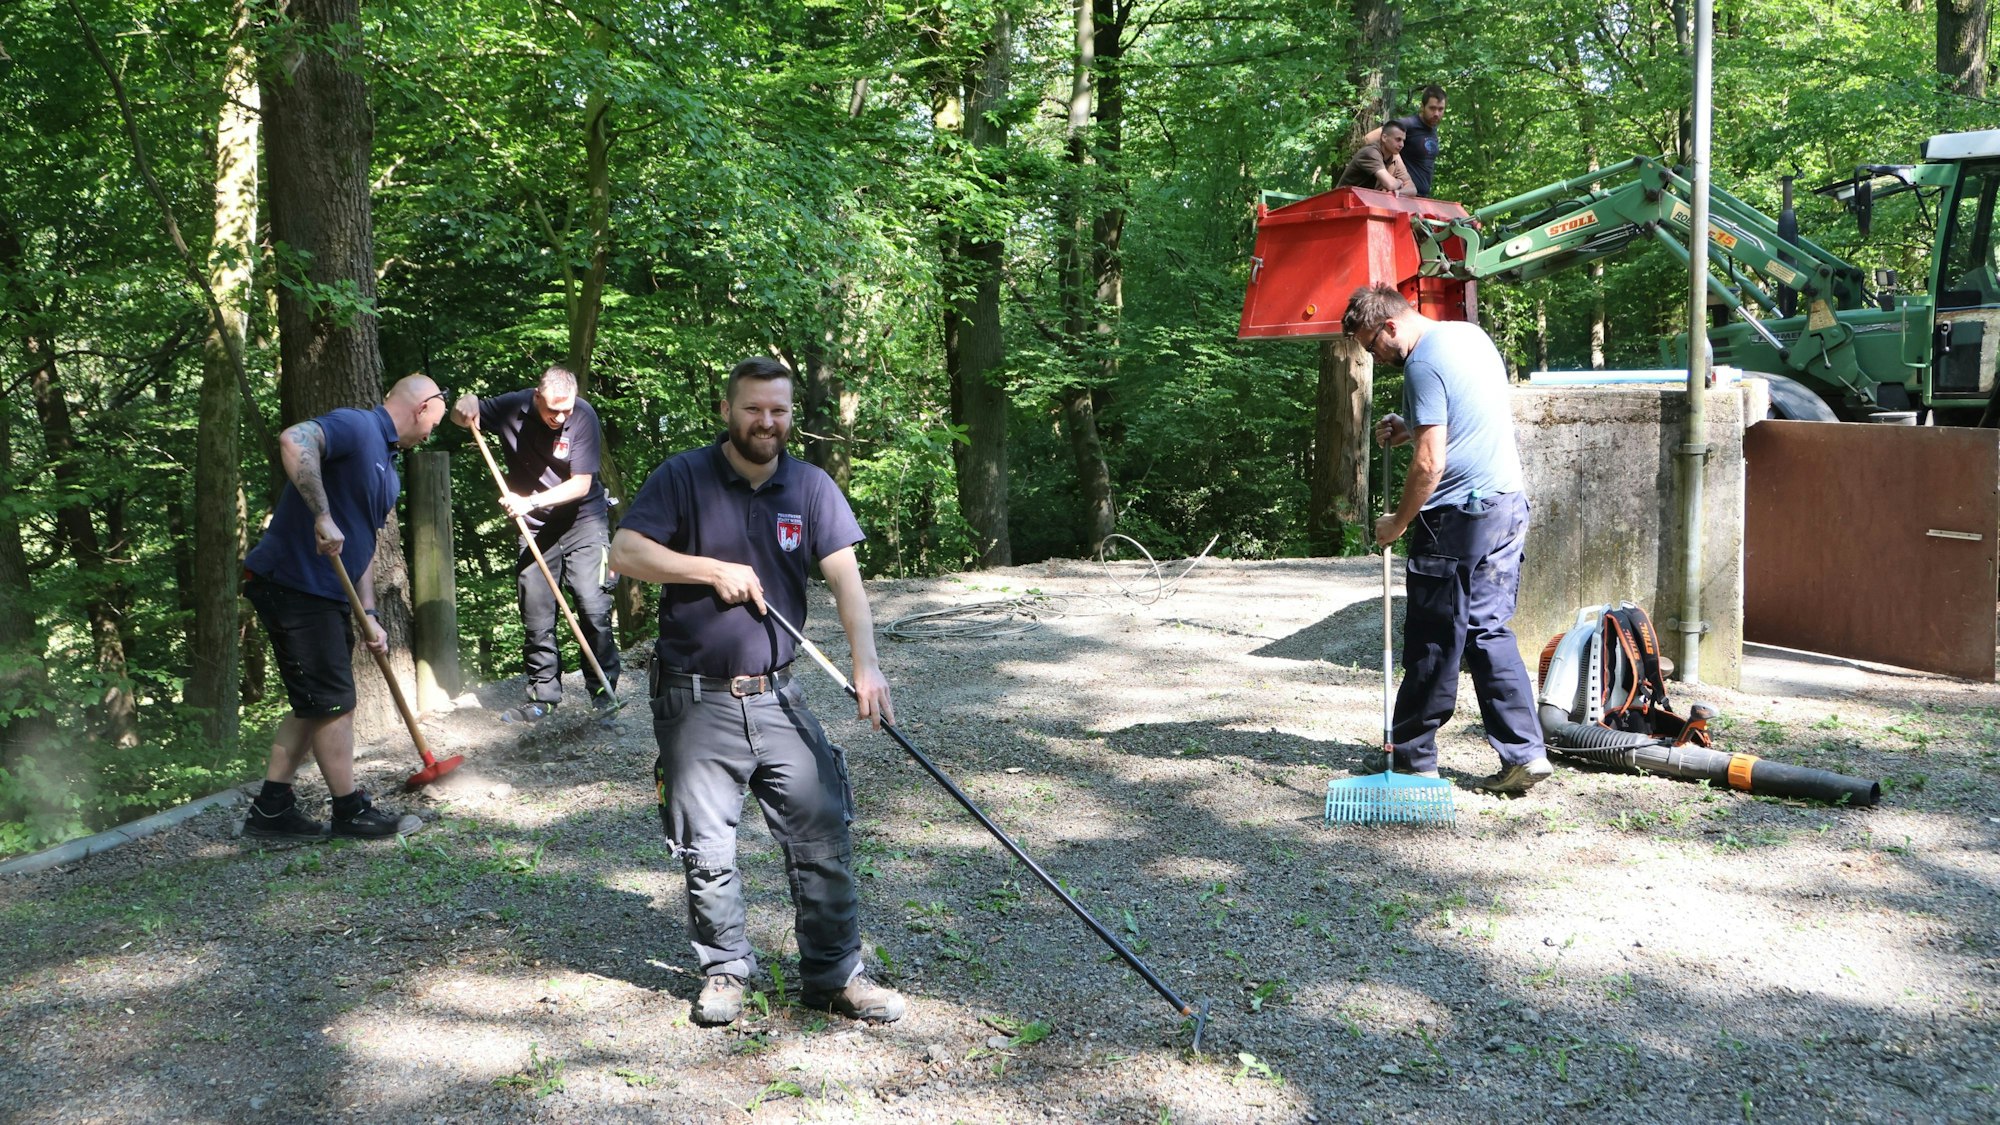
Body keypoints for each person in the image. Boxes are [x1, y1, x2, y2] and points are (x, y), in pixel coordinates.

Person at [608, 356, 906, 1027]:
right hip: (695, 697)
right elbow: (624, 551)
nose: (766, 421)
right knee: (707, 847)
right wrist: (710, 569)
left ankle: (833, 975)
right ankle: (724, 970)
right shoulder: (683, 477)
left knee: (823, 831)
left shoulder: (812, 487)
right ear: (727, 409)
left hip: (778, 694)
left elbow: (847, 582)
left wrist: (867, 664)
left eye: (778, 410)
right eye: (753, 409)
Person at [1342, 285, 1553, 795]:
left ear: (1390, 326)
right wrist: (1411, 427)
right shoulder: (1468, 336)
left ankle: (1413, 759)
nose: (1375, 357)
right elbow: (1467, 421)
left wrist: (1397, 522)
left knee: (1435, 635)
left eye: (1372, 346)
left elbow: (1432, 462)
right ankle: (1526, 753)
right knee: (1488, 629)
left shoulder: (1420, 364)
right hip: (1506, 503)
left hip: (1458, 516)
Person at [239, 374, 450, 840]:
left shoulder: (389, 470)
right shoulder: (358, 427)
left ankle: (272, 811)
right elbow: (294, 439)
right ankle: (349, 812)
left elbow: (364, 545)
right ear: (423, 407)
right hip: (293, 583)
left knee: (314, 701)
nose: (434, 431)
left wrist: (369, 613)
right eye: (436, 418)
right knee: (334, 702)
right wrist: (321, 514)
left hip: (328, 592)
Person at [451, 365, 621, 723]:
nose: (560, 417)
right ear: (536, 397)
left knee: (593, 604)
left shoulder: (583, 416)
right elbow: (464, 412)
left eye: (566, 409)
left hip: (583, 521)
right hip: (534, 528)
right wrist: (463, 404)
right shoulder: (513, 407)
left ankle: (604, 693)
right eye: (552, 409)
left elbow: (580, 485)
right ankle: (543, 697)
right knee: (537, 610)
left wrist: (529, 501)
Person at [1363, 85, 1448, 198]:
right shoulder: (1408, 124)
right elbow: (1369, 139)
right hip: (1400, 195)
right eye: (1432, 108)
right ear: (1422, 107)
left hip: (1421, 198)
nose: (1436, 113)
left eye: (1440, 109)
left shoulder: (1432, 130)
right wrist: (1386, 169)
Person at [1337, 120, 1417, 197]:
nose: (1402, 145)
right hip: (1342, 203)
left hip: (1365, 202)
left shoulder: (1395, 156)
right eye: (1398, 139)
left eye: (1403, 141)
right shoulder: (1370, 153)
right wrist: (1399, 182)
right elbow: (1390, 184)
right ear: (1384, 138)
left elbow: (1412, 189)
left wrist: (1399, 192)